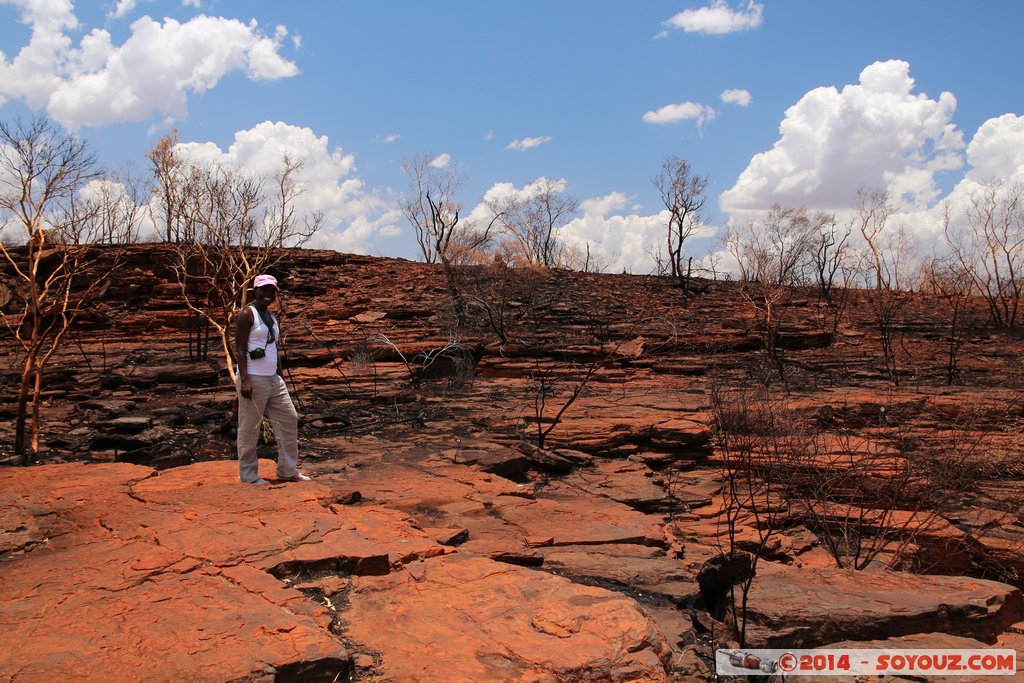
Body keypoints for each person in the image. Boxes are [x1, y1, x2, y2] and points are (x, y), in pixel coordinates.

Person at [234, 274, 310, 484]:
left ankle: (287, 470)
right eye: (263, 290)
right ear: (254, 292)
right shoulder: (247, 314)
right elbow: (239, 349)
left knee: (289, 419)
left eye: (271, 291)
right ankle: (248, 476)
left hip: (273, 378)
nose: (268, 294)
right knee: (250, 427)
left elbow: (273, 348)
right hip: (254, 377)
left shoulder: (271, 316)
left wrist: (280, 375)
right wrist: (245, 380)